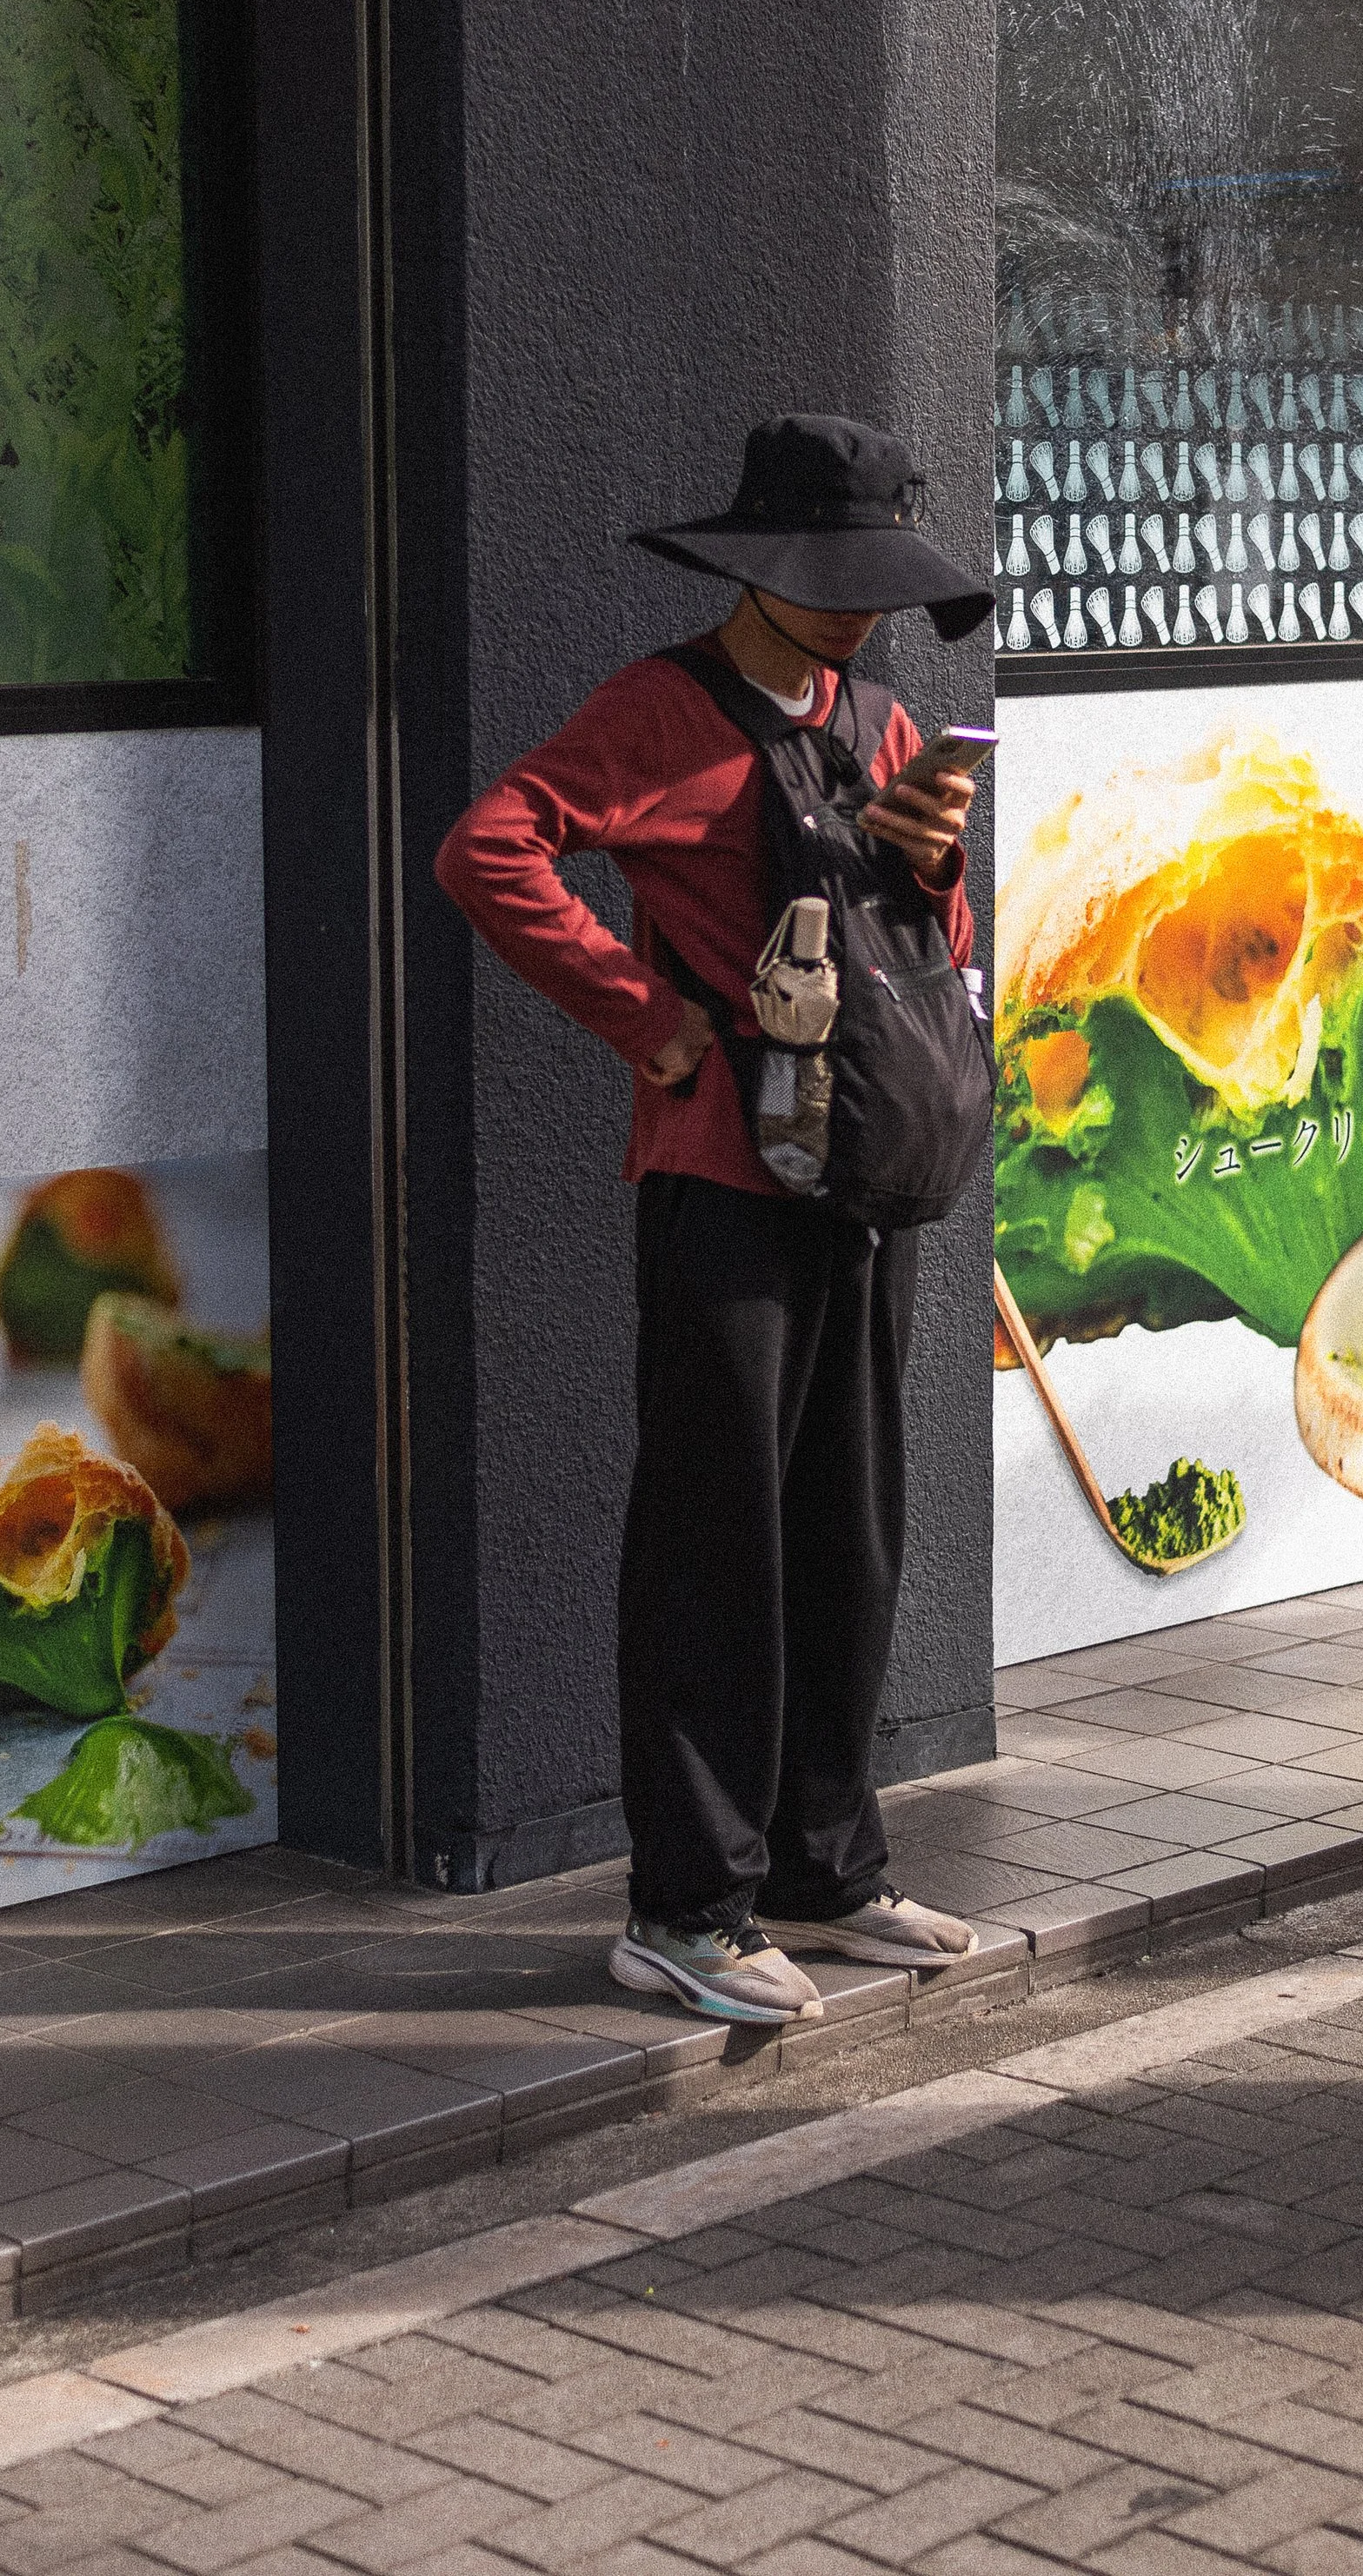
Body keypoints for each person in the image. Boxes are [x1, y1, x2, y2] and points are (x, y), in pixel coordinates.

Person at [435, 414, 994, 2027]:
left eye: (875, 588)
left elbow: (926, 940)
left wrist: (932, 866)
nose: (855, 617)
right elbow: (494, 848)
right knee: (712, 1540)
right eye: (828, 584)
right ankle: (685, 1906)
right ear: (754, 569)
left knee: (851, 1528)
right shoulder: (659, 713)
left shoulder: (885, 723)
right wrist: (642, 1017)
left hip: (865, 1180)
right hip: (721, 1177)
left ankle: (827, 1863)